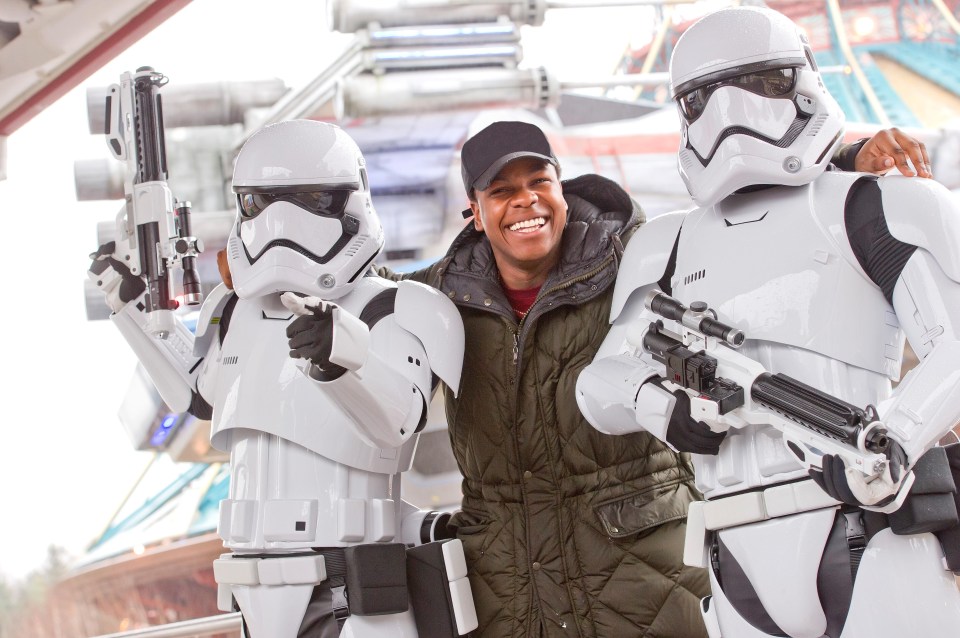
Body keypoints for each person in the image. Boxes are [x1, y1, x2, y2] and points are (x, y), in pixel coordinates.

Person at [362, 110, 929, 636]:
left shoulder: (628, 258)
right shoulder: (440, 297)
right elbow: (355, 280)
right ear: (475, 212)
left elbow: (731, 214)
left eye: (540, 182)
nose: (526, 201)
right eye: (502, 191)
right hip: (507, 584)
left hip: (645, 569)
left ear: (561, 189)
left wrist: (840, 164)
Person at [577, 6, 960, 638]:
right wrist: (661, 406)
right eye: (703, 99)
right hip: (731, 551)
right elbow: (598, 387)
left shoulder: (878, 206)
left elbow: (952, 349)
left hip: (870, 529)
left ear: (799, 84)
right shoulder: (665, 245)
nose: (732, 116)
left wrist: (894, 436)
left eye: (759, 86)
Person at [89, 119, 476, 638]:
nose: (278, 222)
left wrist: (345, 359)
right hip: (250, 583)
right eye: (259, 202)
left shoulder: (398, 307)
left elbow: (399, 421)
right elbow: (198, 395)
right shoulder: (231, 311)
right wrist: (131, 307)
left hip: (353, 584)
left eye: (307, 199)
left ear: (345, 201)